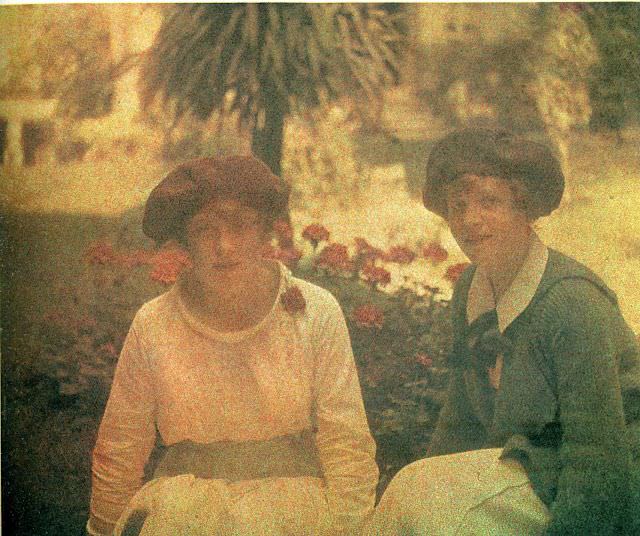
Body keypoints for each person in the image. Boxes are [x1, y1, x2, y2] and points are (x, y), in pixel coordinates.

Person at [367, 128, 640, 535]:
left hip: (605, 481)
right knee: (413, 493)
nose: (470, 221)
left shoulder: (571, 303)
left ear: (524, 207)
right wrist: (424, 479)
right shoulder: (470, 291)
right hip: (528, 465)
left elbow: (598, 459)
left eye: (489, 202)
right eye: (457, 207)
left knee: (438, 512)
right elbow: (460, 419)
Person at [87, 156, 379, 536]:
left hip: (293, 511)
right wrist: (103, 530)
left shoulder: (315, 311)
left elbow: (346, 440)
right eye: (205, 229)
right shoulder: (155, 323)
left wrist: (349, 529)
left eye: (240, 226)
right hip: (183, 514)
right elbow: (121, 446)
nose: (224, 245)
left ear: (265, 233)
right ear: (185, 239)